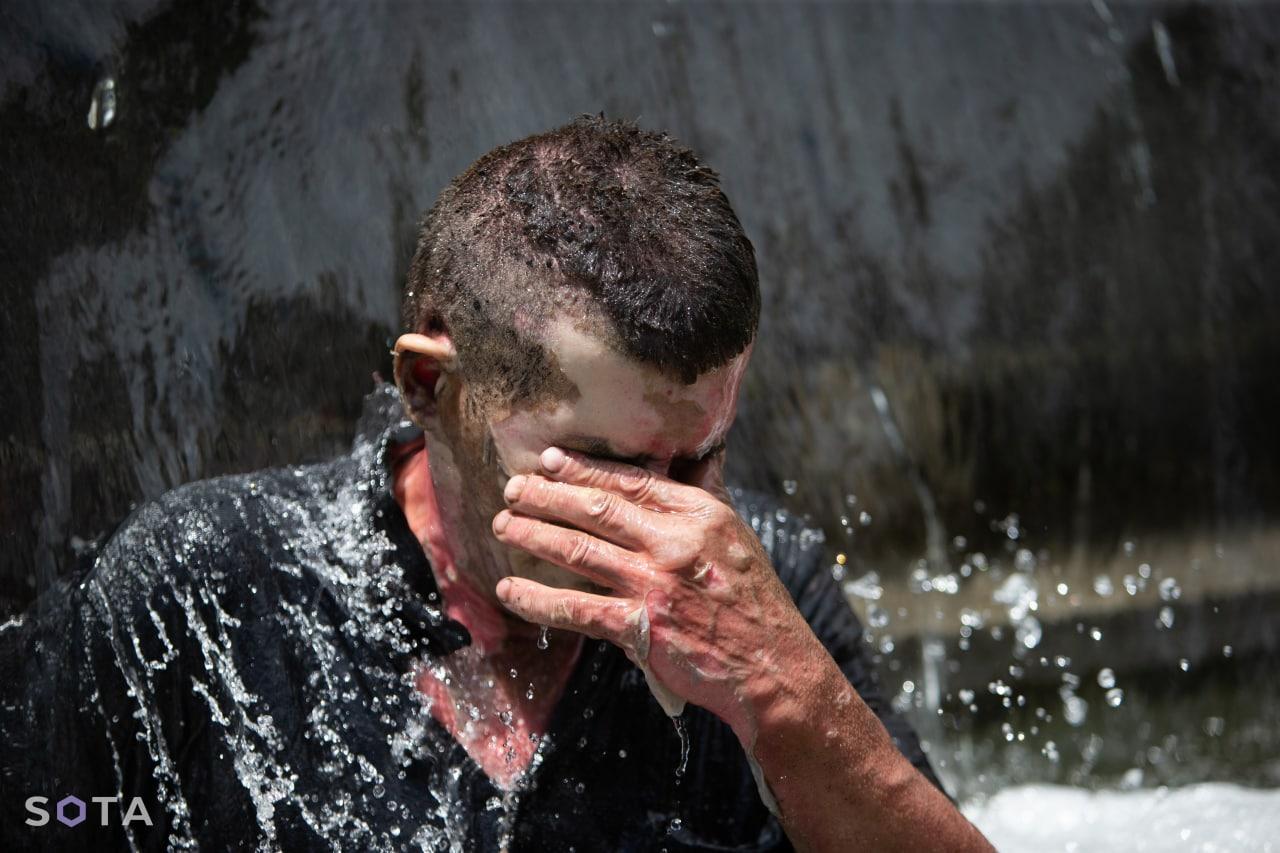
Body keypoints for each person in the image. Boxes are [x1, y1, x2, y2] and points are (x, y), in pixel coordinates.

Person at [0, 116, 990, 851]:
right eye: (601, 464)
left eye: (697, 461)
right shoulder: (200, 597)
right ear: (433, 386)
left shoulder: (759, 591)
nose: (666, 522)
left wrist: (790, 702)